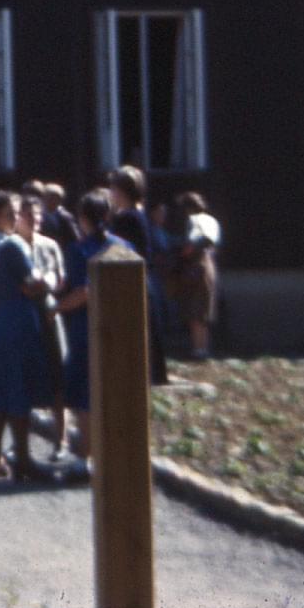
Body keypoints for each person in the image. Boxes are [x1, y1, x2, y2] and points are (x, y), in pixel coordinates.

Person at [0, 192, 55, 482]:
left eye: (17, 213)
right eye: (11, 213)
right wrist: (48, 280)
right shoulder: (12, 245)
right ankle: (23, 458)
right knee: (19, 388)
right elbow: (33, 284)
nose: (16, 218)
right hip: (17, 318)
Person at [57, 188, 133, 482]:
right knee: (115, 391)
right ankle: (117, 456)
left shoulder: (78, 250)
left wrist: (56, 309)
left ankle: (85, 459)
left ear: (82, 218)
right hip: (119, 327)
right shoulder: (123, 247)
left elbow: (83, 292)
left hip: (85, 329)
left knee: (84, 397)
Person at [18, 194, 71, 462]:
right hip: (22, 314)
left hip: (48, 312)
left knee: (57, 373)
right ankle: (21, 443)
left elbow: (60, 279)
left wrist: (48, 283)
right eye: (28, 215)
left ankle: (61, 440)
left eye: (37, 215)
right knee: (24, 376)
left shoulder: (50, 245)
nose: (34, 220)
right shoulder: (11, 246)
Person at [107, 165, 170, 385]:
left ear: (121, 190)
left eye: (113, 188)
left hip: (131, 279)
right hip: (144, 278)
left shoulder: (126, 218)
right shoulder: (138, 214)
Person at [171, 192, 223, 360]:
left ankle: (198, 348)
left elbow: (197, 241)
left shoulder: (195, 220)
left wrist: (184, 253)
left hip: (196, 265)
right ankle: (203, 347)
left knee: (195, 310)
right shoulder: (212, 220)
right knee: (203, 310)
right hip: (209, 265)